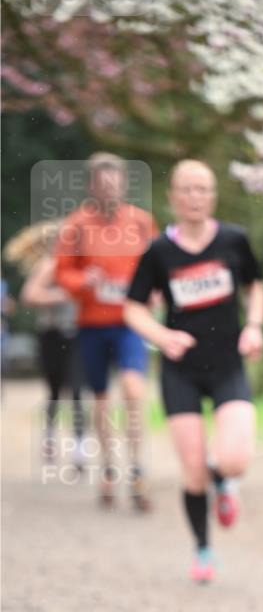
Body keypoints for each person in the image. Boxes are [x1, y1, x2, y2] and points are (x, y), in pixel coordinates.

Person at [124, 159, 263, 582]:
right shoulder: (159, 252)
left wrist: (254, 327)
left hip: (227, 365)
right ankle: (203, 552)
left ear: (213, 195)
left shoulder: (234, 240)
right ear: (172, 197)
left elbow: (255, 285)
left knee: (236, 459)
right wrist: (161, 336)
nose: (194, 197)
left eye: (202, 189)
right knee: (192, 472)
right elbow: (132, 307)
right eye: (185, 189)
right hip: (180, 370)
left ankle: (225, 481)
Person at [54, 153, 159, 509]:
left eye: (115, 182)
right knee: (101, 400)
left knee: (133, 390)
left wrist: (154, 290)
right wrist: (85, 280)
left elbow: (157, 266)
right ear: (91, 187)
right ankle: (109, 467)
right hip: (92, 326)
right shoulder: (76, 225)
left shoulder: (142, 222)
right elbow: (62, 274)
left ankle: (136, 468)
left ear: (124, 184)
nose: (110, 189)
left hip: (129, 323)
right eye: (103, 183)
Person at [6, 219, 85, 465]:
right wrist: (62, 294)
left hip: (78, 335)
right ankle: (50, 437)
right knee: (54, 389)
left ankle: (79, 444)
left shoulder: (82, 267)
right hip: (52, 334)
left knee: (77, 389)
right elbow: (29, 295)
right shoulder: (49, 266)